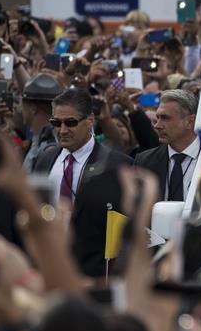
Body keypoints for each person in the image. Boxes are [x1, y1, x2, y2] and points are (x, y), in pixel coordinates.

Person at [32, 88, 133, 276]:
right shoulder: (44, 160)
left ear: (90, 121)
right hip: (48, 268)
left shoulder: (117, 165)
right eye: (56, 123)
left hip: (95, 275)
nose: (62, 130)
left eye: (70, 123)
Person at [133, 90, 200, 202]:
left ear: (190, 121)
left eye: (165, 118)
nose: (157, 126)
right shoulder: (144, 162)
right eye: (157, 118)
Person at [21, 73, 63, 172]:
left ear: (33, 108)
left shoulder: (48, 148)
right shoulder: (40, 139)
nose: (20, 109)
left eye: (22, 104)